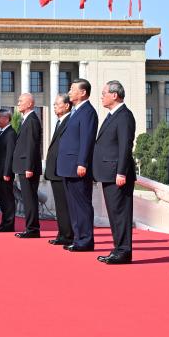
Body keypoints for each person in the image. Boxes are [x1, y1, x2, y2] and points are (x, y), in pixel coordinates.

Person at [93, 80, 137, 265]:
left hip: (117, 174)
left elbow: (125, 147)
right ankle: (118, 249)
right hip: (108, 172)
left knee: (120, 214)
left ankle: (123, 251)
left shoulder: (124, 116)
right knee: (114, 214)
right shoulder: (112, 115)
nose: (102, 96)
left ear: (114, 95)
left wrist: (121, 172)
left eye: (104, 93)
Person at [57, 79, 98, 252]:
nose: (69, 92)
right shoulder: (76, 111)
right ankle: (78, 238)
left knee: (82, 205)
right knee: (73, 206)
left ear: (83, 92)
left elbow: (87, 140)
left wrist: (82, 162)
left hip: (77, 166)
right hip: (68, 166)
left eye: (73, 89)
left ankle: (86, 240)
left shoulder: (88, 112)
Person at [12, 93, 44, 238]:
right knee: (27, 198)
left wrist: (29, 167)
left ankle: (32, 229)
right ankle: (30, 227)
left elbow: (32, 146)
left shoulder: (31, 120)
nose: (18, 103)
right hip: (24, 166)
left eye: (21, 101)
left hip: (28, 167)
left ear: (30, 104)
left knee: (30, 198)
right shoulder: (26, 120)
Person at [44, 93, 74, 246]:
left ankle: (68, 235)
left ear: (67, 106)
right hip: (55, 170)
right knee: (59, 206)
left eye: (57, 104)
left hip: (63, 170)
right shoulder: (59, 122)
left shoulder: (70, 121)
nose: (54, 106)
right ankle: (62, 233)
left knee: (65, 205)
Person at [0, 109, 18, 232]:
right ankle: (4, 222)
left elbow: (10, 154)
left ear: (7, 118)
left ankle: (9, 224)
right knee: (2, 199)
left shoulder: (10, 133)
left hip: (4, 174)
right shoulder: (2, 132)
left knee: (7, 199)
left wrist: (7, 172)